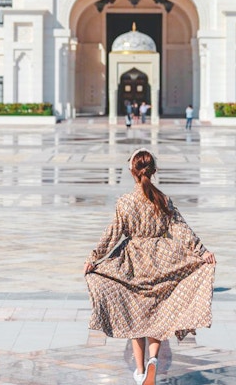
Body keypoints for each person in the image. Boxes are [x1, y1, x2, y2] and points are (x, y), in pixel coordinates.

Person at [84, 149, 216, 384]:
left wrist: (94, 259)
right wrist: (202, 252)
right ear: (154, 172)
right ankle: (153, 359)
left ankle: (140, 370)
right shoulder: (163, 200)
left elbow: (112, 233)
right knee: (157, 312)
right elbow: (181, 230)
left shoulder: (125, 202)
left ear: (132, 172)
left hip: (133, 262)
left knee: (137, 317)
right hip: (163, 259)